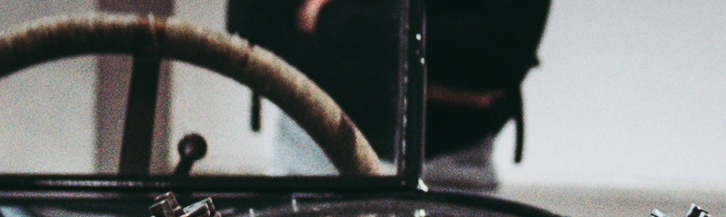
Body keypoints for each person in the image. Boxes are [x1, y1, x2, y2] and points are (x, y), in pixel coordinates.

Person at [228, 0, 551, 190]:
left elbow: (504, 51)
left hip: (454, 167)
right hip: (312, 156)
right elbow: (254, 29)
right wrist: (431, 86)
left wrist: (330, 15)